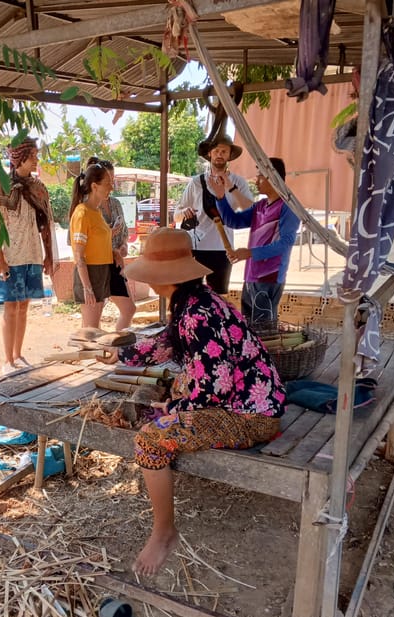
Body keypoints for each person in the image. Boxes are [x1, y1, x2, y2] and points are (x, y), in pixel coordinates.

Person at [102, 228, 286, 576]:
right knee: (172, 400)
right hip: (250, 403)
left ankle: (164, 532)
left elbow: (214, 390)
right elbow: (167, 343)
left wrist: (171, 410)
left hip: (250, 417)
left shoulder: (198, 315)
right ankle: (164, 528)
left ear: (164, 277)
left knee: (149, 441)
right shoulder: (196, 301)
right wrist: (120, 353)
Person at [0, 137, 55, 375]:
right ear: (20, 158)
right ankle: (8, 360)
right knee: (11, 307)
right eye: (33, 156)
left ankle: (19, 355)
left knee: (24, 305)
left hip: (32, 254)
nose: (36, 160)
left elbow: (46, 224)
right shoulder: (2, 186)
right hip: (10, 254)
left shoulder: (39, 187)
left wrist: (48, 256)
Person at [211, 157, 299, 326]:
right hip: (251, 276)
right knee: (250, 327)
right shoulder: (260, 206)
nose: (255, 180)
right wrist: (221, 197)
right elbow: (233, 221)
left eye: (260, 176)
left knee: (264, 330)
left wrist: (250, 253)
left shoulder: (288, 206)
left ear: (272, 177)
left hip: (269, 277)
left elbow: (286, 242)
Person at [173, 134, 253, 294]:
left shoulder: (239, 182)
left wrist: (230, 187)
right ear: (209, 153)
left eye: (224, 151)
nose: (219, 154)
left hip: (223, 249)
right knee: (190, 294)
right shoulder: (196, 182)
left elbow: (250, 211)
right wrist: (184, 212)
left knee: (219, 296)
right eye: (216, 150)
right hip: (195, 248)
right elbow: (176, 215)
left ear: (230, 155)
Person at [88, 157, 136, 330]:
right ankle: (100, 351)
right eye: (108, 181)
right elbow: (83, 243)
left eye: (113, 181)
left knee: (129, 309)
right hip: (96, 265)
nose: (112, 186)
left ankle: (118, 349)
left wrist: (122, 246)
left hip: (115, 263)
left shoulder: (115, 203)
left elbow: (124, 232)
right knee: (92, 323)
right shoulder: (87, 207)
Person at [69, 162, 115, 329]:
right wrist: (87, 287)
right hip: (90, 272)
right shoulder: (82, 213)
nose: (112, 187)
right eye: (108, 183)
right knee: (91, 331)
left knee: (92, 329)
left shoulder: (97, 212)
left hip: (101, 270)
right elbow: (79, 255)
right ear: (95, 186)